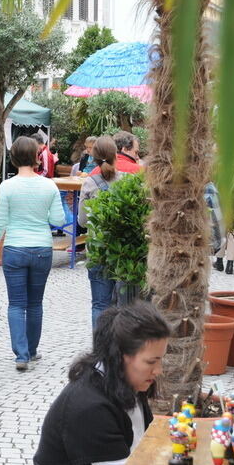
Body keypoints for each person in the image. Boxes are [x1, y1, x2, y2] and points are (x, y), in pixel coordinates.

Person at [24, 302, 172, 465]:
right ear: (120, 357)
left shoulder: (126, 382)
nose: (159, 370)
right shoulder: (89, 408)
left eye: (161, 360)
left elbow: (143, 449)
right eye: (151, 362)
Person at [0, 136, 64, 371]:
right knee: (35, 303)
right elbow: (58, 220)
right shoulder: (49, 185)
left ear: (13, 157)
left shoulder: (7, 186)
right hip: (41, 248)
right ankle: (31, 350)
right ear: (37, 157)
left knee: (16, 304)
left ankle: (20, 355)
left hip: (15, 248)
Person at [79, 136, 128, 327]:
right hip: (123, 252)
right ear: (116, 155)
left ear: (94, 158)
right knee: (124, 305)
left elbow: (82, 221)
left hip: (98, 250)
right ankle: (122, 351)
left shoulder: (89, 184)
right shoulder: (128, 181)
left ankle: (101, 352)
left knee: (100, 304)